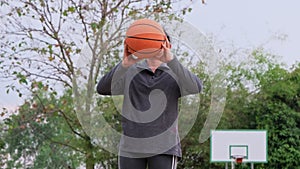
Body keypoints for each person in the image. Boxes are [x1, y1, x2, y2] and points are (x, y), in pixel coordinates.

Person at [97, 25, 202, 169]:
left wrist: (171, 60)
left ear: (167, 45)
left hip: (164, 147)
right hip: (131, 147)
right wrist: (124, 64)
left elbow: (196, 87)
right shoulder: (130, 71)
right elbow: (102, 88)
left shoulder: (175, 74)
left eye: (156, 40)